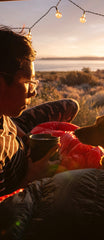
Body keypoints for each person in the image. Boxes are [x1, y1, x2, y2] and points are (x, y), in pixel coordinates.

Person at [0, 26, 79, 197]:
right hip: (23, 176)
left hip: (18, 130)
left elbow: (6, 122)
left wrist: (24, 136)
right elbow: (7, 211)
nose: (33, 92)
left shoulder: (3, 113)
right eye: (28, 82)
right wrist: (33, 176)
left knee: (70, 106)